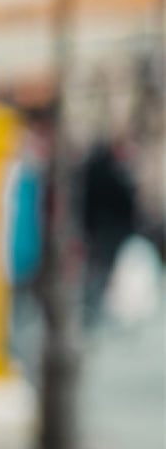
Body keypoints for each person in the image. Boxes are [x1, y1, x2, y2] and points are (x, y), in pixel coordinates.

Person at [77, 135, 141, 329]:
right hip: (108, 230)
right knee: (101, 271)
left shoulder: (99, 169)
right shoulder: (110, 172)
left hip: (103, 229)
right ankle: (93, 309)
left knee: (100, 270)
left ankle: (94, 307)